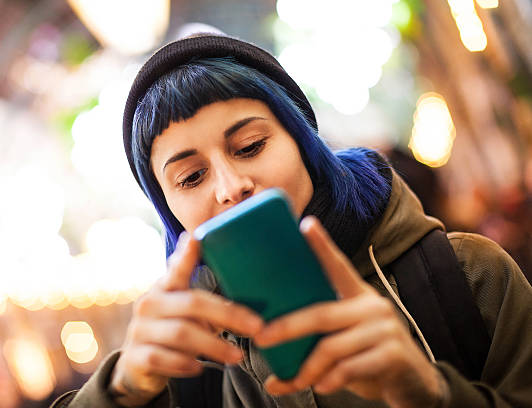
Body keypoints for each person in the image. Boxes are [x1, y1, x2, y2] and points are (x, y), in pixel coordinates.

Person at [51, 34, 532, 408]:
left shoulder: (468, 274)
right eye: (191, 176)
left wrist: (430, 393)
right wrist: (122, 389)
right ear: (170, 213)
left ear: (304, 143)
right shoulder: (181, 364)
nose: (230, 186)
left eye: (250, 147)